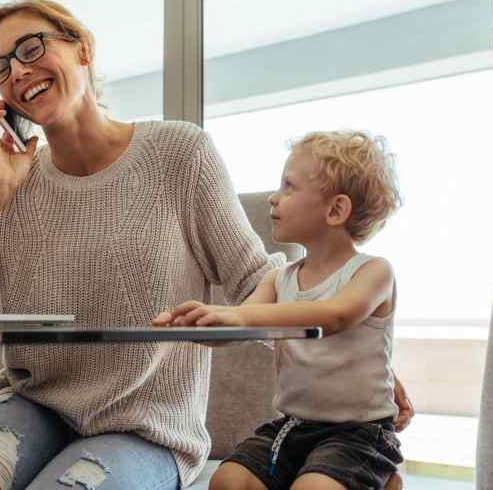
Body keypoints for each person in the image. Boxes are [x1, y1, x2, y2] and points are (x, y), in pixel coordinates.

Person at [0, 0, 413, 489]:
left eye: (29, 48)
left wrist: (356, 360)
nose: (16, 71)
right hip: (31, 404)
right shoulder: (15, 180)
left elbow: (254, 284)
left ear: (82, 50)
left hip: (147, 427)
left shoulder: (181, 153)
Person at [155, 130, 406, 490]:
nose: (274, 198)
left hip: (359, 434)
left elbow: (334, 316)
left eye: (288, 187)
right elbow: (240, 329)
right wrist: (193, 324)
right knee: (227, 481)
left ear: (336, 209)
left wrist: (237, 314)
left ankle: (381, 478)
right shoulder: (278, 278)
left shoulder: (374, 272)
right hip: (293, 425)